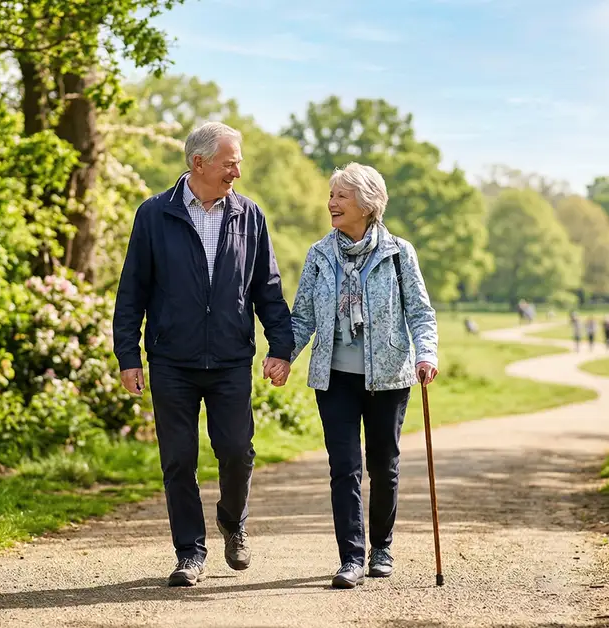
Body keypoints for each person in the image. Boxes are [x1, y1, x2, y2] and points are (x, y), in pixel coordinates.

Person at [113, 121, 295, 587]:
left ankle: (233, 525)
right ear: (199, 163)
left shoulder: (249, 215)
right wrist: (128, 356)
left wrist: (281, 347)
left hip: (231, 358)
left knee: (237, 451)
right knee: (178, 459)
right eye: (230, 161)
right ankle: (189, 553)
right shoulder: (155, 214)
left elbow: (267, 288)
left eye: (238, 161)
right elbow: (131, 290)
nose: (238, 170)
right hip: (172, 359)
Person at [290, 162, 439, 590]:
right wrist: (283, 356)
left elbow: (421, 312)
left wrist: (426, 354)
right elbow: (302, 318)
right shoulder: (320, 254)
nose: (331, 203)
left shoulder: (398, 253)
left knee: (383, 466)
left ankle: (382, 547)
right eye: (331, 195)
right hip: (334, 377)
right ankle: (351, 557)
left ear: (367, 203)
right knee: (344, 467)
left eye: (340, 195)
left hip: (389, 376)